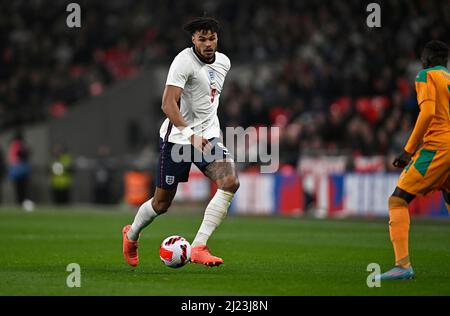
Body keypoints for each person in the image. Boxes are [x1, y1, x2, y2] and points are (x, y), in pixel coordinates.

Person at [122, 17, 239, 267]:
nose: (208, 44)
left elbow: (208, 99)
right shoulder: (183, 61)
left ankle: (199, 246)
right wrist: (190, 134)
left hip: (207, 136)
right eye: (202, 39)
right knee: (161, 204)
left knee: (229, 182)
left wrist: (203, 133)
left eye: (212, 38)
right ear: (193, 40)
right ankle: (131, 235)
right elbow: (167, 103)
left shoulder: (224, 62)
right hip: (177, 139)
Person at [378, 41, 449, 280]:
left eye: (423, 57)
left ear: (428, 59)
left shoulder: (425, 75)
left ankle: (402, 266)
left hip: (437, 147)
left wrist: (408, 150)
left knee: (398, 200)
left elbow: (428, 113)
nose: (421, 61)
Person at [7, 130, 31, 205]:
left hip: (15, 170)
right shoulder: (18, 144)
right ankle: (22, 202)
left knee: (19, 188)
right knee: (22, 188)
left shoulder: (12, 145)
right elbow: (22, 154)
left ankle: (20, 202)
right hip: (20, 169)